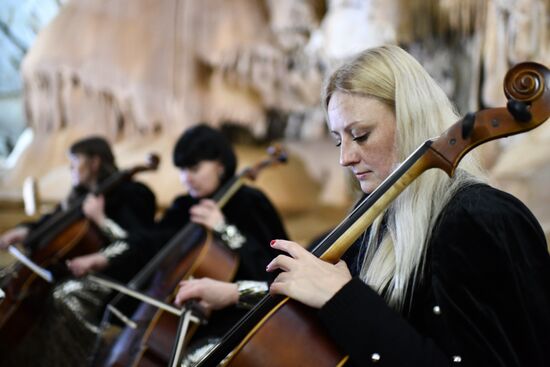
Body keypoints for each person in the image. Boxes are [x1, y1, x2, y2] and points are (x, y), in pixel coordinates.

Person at [267, 45, 550, 366]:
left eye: (360, 135)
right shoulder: (378, 216)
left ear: (412, 121)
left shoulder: (479, 219)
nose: (345, 157)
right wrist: (237, 294)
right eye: (338, 139)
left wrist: (344, 299)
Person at [101, 124, 288, 367]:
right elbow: (153, 242)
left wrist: (223, 228)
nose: (185, 178)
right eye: (181, 170)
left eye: (194, 168)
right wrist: (105, 256)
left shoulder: (250, 203)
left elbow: (272, 267)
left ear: (220, 165)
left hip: (236, 314)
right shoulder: (184, 205)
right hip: (182, 312)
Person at [0, 136, 157, 367]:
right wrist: (24, 231)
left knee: (62, 296)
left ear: (94, 162)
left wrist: (101, 220)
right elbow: (50, 221)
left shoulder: (133, 193)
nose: (71, 168)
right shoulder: (79, 196)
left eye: (75, 162)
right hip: (67, 271)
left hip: (112, 278)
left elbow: (138, 244)